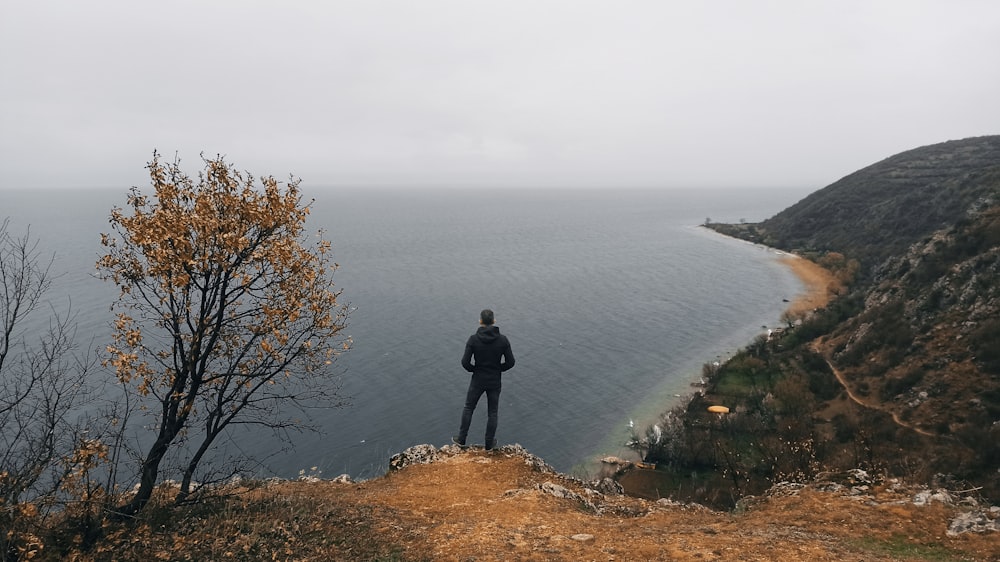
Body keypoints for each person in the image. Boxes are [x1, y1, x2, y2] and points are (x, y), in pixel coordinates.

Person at [453, 309, 515, 450]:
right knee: (492, 412)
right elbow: (511, 362)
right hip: (494, 381)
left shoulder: (473, 339)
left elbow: (465, 362)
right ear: (494, 321)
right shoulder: (503, 340)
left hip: (478, 380)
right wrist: (498, 369)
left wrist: (474, 369)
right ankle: (489, 444)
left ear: (480, 321)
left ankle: (461, 439)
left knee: (469, 407)